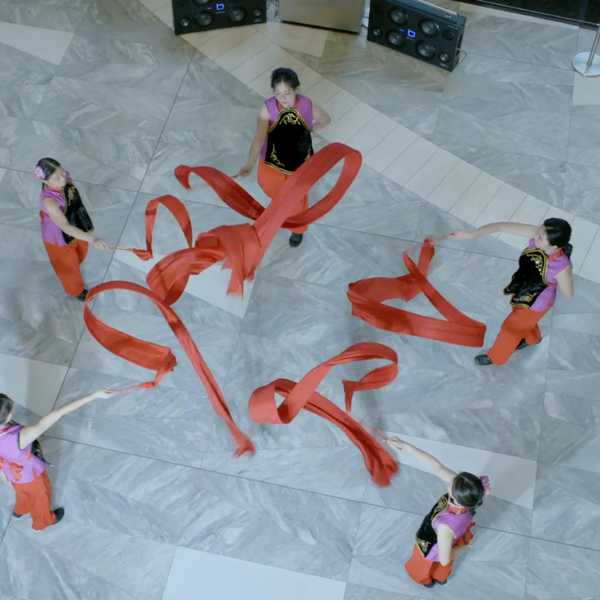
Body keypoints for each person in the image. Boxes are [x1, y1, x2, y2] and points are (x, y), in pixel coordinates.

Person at [451, 218, 574, 366]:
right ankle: (532, 338)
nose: (535, 236)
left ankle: (496, 357)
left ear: (554, 246)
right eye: (539, 231)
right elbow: (501, 226)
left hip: (536, 303)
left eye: (540, 237)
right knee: (522, 323)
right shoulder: (540, 234)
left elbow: (567, 293)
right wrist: (473, 234)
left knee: (509, 330)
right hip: (521, 289)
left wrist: (557, 278)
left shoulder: (562, 266)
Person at [237, 67, 331, 248]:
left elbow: (325, 120)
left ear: (296, 89)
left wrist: (307, 130)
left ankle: (297, 228)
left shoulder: (307, 105)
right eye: (278, 93)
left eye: (287, 93)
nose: (283, 98)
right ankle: (281, 212)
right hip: (272, 160)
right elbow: (259, 139)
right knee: (273, 189)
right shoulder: (268, 108)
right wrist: (249, 163)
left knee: (297, 199)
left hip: (298, 162)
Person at [0, 389, 117, 530]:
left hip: (11, 472)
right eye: (8, 412)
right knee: (42, 498)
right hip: (29, 475)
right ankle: (43, 521)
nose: (11, 412)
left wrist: (3, 475)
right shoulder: (20, 437)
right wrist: (94, 396)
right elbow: (58, 413)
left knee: (23, 493)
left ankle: (20, 510)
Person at [387, 437, 490, 587]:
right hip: (451, 538)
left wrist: (461, 547)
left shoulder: (445, 527)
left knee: (424, 565)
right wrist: (406, 446)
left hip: (434, 544)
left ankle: (425, 580)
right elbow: (436, 466)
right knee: (442, 568)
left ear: (456, 497)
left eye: (452, 482)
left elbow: (444, 558)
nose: (450, 479)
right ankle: (440, 578)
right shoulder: (466, 498)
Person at [35, 158, 109, 302]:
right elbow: (65, 227)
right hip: (58, 237)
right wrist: (93, 239)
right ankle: (76, 291)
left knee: (81, 251)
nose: (64, 178)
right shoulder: (49, 201)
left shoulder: (64, 178)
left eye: (63, 172)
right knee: (67, 268)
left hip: (75, 221)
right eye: (57, 178)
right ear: (45, 182)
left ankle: (77, 264)